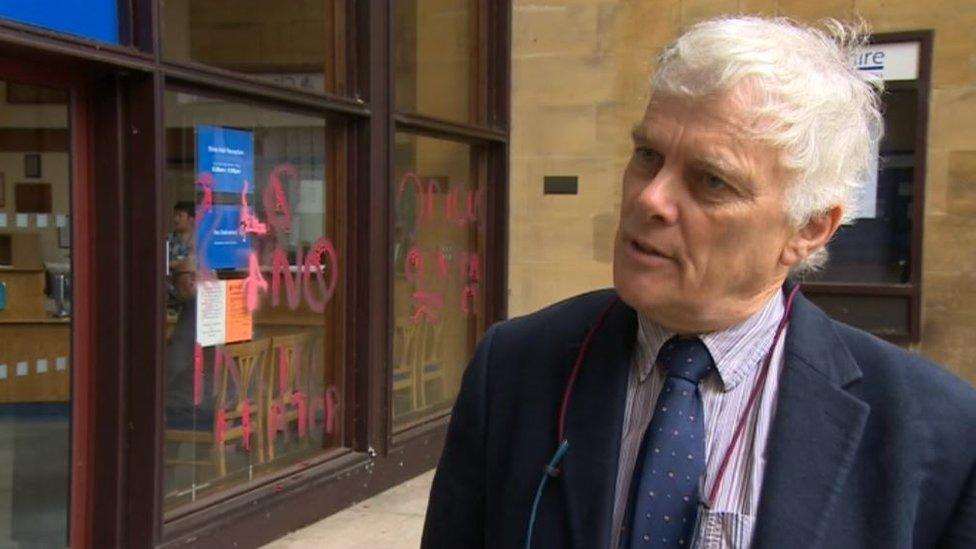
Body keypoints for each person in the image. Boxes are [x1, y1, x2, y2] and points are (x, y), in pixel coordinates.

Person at [421, 16, 976, 549]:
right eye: (648, 156)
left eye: (711, 181)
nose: (650, 198)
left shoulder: (936, 432)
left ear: (809, 227)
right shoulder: (514, 367)